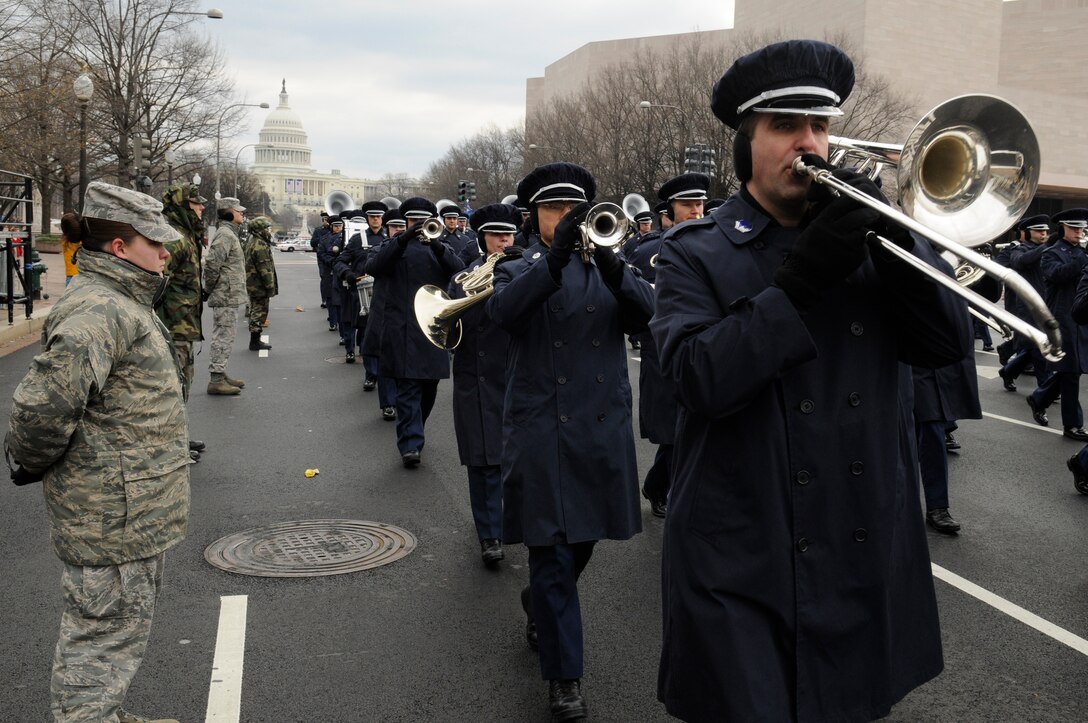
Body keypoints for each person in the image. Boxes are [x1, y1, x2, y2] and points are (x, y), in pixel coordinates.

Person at [651, 40, 968, 722]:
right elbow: (697, 378)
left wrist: (898, 233)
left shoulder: (873, 242)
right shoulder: (693, 252)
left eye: (820, 125)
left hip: (858, 547)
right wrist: (800, 282)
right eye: (786, 125)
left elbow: (944, 345)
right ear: (746, 144)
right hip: (741, 556)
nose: (809, 142)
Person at [6, 181, 188, 723]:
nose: (165, 251)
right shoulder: (100, 311)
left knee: (117, 631)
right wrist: (33, 459)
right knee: (100, 638)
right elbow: (40, 411)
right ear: (119, 247)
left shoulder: (123, 300)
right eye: (154, 243)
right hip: (110, 510)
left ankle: (103, 714)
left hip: (128, 507)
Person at [488, 162, 654, 721]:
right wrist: (554, 261)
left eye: (572, 210)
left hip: (600, 425)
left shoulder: (610, 261)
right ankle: (564, 678)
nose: (564, 219)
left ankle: (538, 603)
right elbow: (505, 316)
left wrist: (609, 262)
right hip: (542, 426)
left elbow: (648, 315)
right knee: (553, 550)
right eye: (553, 210)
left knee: (582, 541)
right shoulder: (517, 265)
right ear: (534, 215)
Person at [627, 172, 709, 518]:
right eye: (687, 204)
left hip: (703, 343)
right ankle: (659, 486)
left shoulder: (712, 242)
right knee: (673, 432)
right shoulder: (649, 251)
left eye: (700, 203)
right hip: (662, 347)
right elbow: (636, 302)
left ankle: (678, 490)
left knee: (698, 427)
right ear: (669, 211)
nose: (696, 210)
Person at [365, 197, 464, 467]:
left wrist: (436, 245)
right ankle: (410, 442)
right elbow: (372, 267)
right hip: (402, 327)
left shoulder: (440, 248)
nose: (418, 225)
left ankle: (416, 427)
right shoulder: (391, 247)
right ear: (406, 222)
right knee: (408, 387)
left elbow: (459, 272)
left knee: (429, 388)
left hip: (432, 329)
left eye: (423, 221)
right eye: (412, 221)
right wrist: (402, 239)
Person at [450, 203, 521, 566]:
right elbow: (448, 329)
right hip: (475, 378)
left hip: (516, 375)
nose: (503, 240)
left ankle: (520, 522)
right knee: (483, 462)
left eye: (508, 234)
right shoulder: (464, 277)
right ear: (483, 238)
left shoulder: (529, 270)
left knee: (519, 458)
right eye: (496, 235)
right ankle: (490, 534)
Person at [913, 250, 982, 535]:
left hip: (933, 358)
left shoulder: (940, 256)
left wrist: (982, 267)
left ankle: (938, 506)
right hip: (904, 353)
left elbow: (982, 295)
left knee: (932, 430)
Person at [1026, 208, 1088, 440]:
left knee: (1073, 370)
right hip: (1062, 318)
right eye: (1074, 228)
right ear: (1063, 228)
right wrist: (1082, 257)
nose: (1079, 232)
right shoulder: (1051, 253)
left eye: (1081, 228)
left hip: (1081, 317)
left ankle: (1039, 398)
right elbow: (1057, 275)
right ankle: (1072, 425)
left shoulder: (1082, 253)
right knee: (1071, 372)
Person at [159, 182, 207, 461]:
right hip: (174, 325)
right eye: (195, 203)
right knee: (174, 385)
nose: (201, 207)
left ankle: (178, 437)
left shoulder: (185, 235)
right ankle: (171, 445)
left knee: (183, 383)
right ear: (181, 207)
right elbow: (156, 280)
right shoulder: (175, 238)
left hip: (183, 324)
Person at [998, 214, 1051, 390]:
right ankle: (1045, 387)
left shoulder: (1048, 249)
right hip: (1025, 305)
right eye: (1039, 231)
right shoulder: (1018, 249)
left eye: (1046, 231)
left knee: (1031, 346)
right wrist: (1045, 247)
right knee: (1038, 346)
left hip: (1046, 302)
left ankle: (1008, 370)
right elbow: (1021, 262)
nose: (1044, 234)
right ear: (1027, 232)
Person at [203, 197, 249, 395]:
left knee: (226, 336)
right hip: (225, 294)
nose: (242, 214)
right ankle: (216, 379)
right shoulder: (225, 234)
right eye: (238, 211)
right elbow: (212, 264)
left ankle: (220, 373)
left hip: (229, 294)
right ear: (229, 213)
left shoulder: (230, 233)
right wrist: (209, 288)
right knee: (223, 336)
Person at [361, 208, 404, 421]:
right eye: (395, 226)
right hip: (385, 311)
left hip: (408, 311)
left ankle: (403, 401)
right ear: (387, 229)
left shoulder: (420, 249)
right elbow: (373, 267)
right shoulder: (379, 249)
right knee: (384, 357)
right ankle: (388, 403)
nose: (399, 230)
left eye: (403, 227)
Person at [333, 202, 386, 364]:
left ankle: (366, 355)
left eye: (378, 216)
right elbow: (340, 261)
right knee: (350, 321)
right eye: (372, 217)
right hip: (358, 290)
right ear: (368, 219)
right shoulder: (357, 239)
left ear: (382, 218)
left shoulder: (389, 240)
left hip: (381, 290)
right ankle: (350, 350)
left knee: (369, 327)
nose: (375, 219)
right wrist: (347, 273)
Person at [243, 216, 278, 350]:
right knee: (259, 312)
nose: (268, 230)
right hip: (259, 285)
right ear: (259, 229)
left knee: (255, 310)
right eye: (266, 228)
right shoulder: (260, 245)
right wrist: (270, 287)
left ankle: (255, 340)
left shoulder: (252, 241)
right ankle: (255, 341)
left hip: (253, 283)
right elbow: (265, 269)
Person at [318, 216, 345, 334]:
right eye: (335, 226)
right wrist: (332, 261)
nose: (338, 228)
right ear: (331, 226)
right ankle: (333, 322)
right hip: (329, 270)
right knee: (330, 298)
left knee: (341, 300)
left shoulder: (346, 237)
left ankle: (341, 324)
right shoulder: (324, 239)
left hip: (342, 271)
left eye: (340, 226)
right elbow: (321, 253)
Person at [311, 211, 331, 308]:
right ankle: (325, 299)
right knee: (324, 278)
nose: (325, 221)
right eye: (324, 219)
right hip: (322, 258)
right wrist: (322, 239)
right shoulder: (318, 230)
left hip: (332, 256)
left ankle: (332, 299)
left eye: (327, 219)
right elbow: (312, 243)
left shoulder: (334, 229)